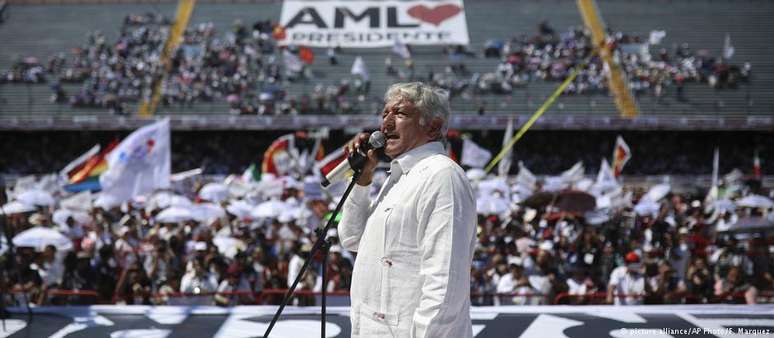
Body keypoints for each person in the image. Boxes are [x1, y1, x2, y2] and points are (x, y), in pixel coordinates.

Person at [339, 82, 477, 338]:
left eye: (400, 114)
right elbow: (351, 238)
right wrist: (361, 180)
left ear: (433, 126)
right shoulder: (397, 178)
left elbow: (445, 283)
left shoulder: (442, 175)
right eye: (384, 114)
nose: (386, 124)